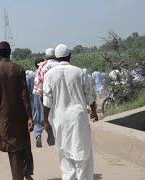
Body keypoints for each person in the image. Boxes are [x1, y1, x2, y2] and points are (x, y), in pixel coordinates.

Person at [43, 44, 98, 180]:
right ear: (69, 56)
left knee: (64, 152)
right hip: (78, 117)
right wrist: (94, 111)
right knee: (82, 152)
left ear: (56, 58)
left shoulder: (49, 75)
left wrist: (45, 120)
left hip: (60, 118)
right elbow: (90, 96)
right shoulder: (80, 72)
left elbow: (47, 102)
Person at [0, 41, 34, 180]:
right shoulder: (18, 69)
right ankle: (26, 171)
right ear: (10, 52)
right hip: (20, 114)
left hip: (4, 117)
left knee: (13, 150)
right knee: (23, 143)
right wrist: (30, 116)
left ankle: (19, 176)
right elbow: (24, 95)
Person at [33, 48, 58, 146]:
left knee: (44, 118)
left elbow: (38, 88)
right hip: (59, 96)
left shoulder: (42, 67)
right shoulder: (60, 64)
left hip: (46, 97)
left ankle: (48, 133)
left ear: (46, 57)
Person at [26, 58, 45, 148]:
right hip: (46, 99)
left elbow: (27, 91)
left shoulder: (30, 76)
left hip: (35, 100)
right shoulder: (46, 74)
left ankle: (38, 135)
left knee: (37, 120)